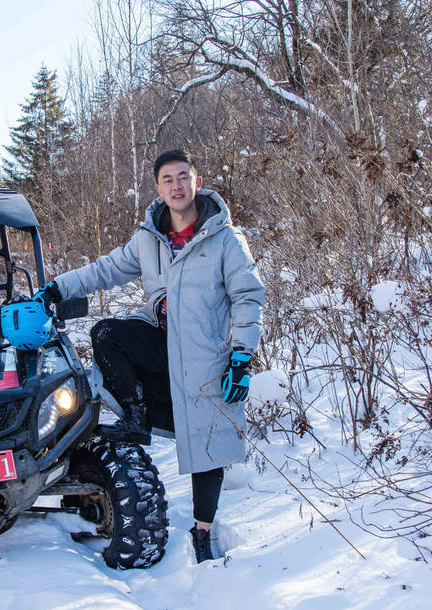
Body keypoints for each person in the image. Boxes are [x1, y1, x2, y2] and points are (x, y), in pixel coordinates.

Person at [36, 149, 264, 563]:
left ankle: (203, 531)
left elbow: (248, 296)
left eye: (183, 177)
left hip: (203, 357)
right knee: (107, 333)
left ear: (196, 182)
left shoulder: (225, 239)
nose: (177, 186)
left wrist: (241, 357)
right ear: (158, 188)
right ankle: (137, 416)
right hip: (159, 345)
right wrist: (57, 289)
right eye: (167, 180)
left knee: (206, 444)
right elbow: (105, 269)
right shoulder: (149, 239)